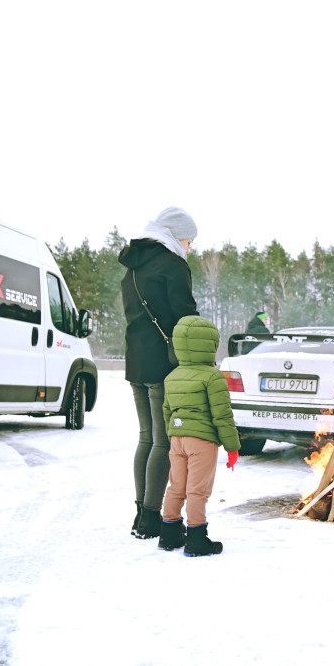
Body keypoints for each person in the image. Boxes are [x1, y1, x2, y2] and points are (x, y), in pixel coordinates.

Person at [118, 207, 199, 539]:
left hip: (136, 361)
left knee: (146, 438)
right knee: (163, 441)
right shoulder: (172, 265)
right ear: (175, 234)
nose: (190, 247)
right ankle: (153, 518)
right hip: (165, 363)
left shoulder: (132, 268)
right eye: (188, 240)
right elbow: (186, 318)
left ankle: (140, 513)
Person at [157, 315, 241, 556]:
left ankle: (169, 533)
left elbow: (167, 412)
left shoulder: (172, 376)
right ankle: (196, 539)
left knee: (176, 487)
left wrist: (173, 434)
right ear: (209, 345)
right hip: (201, 441)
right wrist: (232, 446)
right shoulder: (212, 377)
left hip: (177, 439)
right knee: (197, 490)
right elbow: (222, 415)